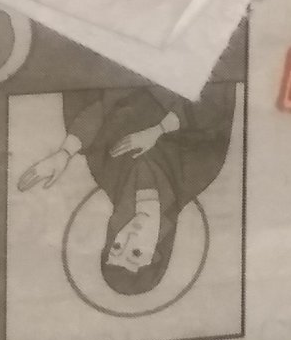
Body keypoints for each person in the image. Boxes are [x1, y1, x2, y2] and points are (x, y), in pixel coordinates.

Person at [17, 83, 236, 298]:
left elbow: (100, 109)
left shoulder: (106, 174)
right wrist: (159, 129)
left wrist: (65, 152)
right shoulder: (198, 174)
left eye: (117, 246)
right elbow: (215, 101)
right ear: (158, 250)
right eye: (136, 253)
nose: (129, 237)